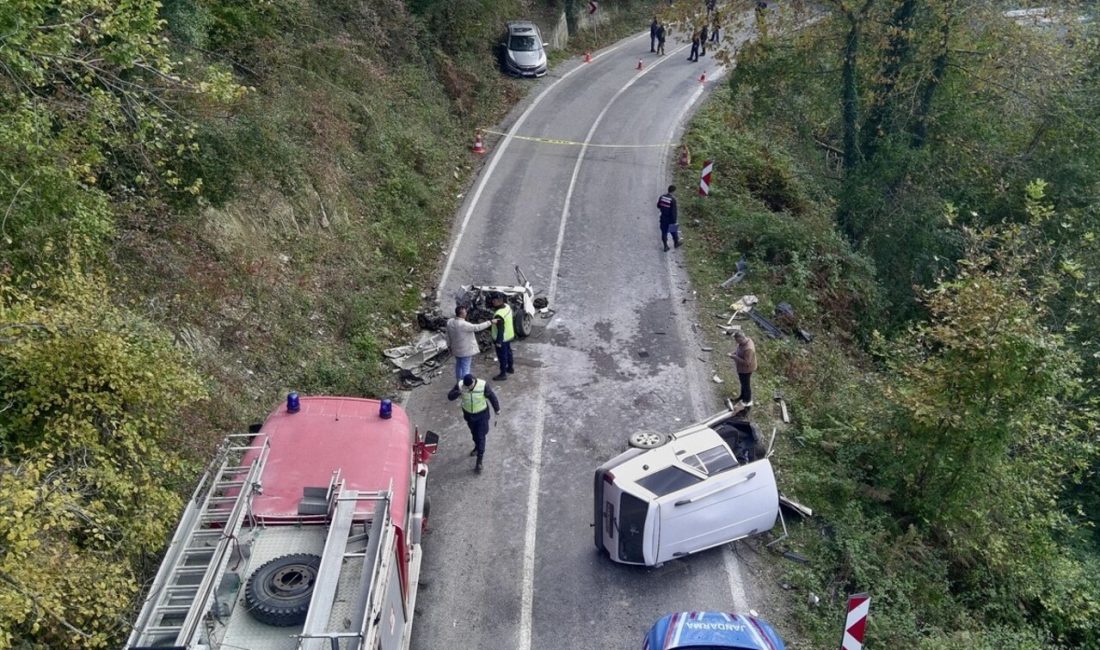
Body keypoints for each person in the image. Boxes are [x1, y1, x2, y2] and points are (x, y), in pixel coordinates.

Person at [447, 373, 501, 473]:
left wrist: (497, 409)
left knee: (481, 437)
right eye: (467, 387)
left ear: (474, 381)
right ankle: (477, 447)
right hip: (469, 416)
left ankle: (479, 461)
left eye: (470, 386)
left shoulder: (482, 385)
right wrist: (458, 392)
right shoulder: (460, 385)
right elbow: (450, 397)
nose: (469, 388)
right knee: (474, 435)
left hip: (482, 415)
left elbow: (492, 397)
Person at [445, 305, 491, 384]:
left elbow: (447, 335)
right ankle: (466, 384)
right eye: (465, 312)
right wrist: (490, 322)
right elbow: (478, 327)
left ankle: (458, 382)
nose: (466, 313)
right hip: (465, 351)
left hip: (455, 350)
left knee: (458, 366)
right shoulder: (464, 324)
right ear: (462, 314)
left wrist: (449, 346)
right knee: (466, 369)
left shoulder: (450, 322)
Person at [489, 293, 515, 380]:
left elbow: (500, 329)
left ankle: (503, 374)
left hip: (502, 339)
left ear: (498, 301)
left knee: (502, 356)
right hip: (509, 336)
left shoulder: (499, 314)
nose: (492, 302)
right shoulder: (507, 306)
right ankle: (510, 368)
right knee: (509, 353)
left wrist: (498, 342)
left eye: (493, 300)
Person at [728, 331, 758, 406]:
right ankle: (742, 397)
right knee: (743, 383)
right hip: (742, 369)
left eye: (738, 341)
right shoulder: (744, 341)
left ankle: (747, 401)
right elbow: (739, 349)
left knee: (746, 385)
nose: (737, 343)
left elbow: (747, 363)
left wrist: (734, 357)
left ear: (742, 339)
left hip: (746, 370)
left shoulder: (748, 349)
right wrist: (734, 353)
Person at [656, 184, 681, 251]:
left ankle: (665, 246)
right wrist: (674, 221)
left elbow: (658, 205)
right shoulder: (672, 200)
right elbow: (674, 212)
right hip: (670, 219)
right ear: (673, 191)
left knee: (664, 232)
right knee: (673, 231)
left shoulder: (662, 197)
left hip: (663, 218)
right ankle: (676, 243)